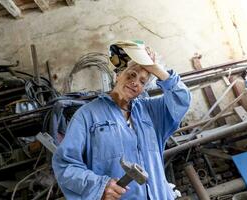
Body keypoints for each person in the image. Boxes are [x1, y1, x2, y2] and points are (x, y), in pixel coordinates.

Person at [52, 40, 191, 200]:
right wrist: (99, 186)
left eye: (142, 81)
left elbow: (182, 98)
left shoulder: (151, 112)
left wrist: (154, 68)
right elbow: (65, 165)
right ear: (118, 75)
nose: (135, 83)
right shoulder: (88, 115)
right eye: (131, 75)